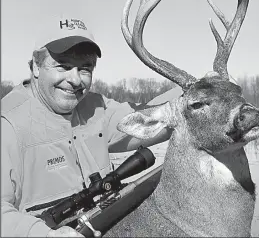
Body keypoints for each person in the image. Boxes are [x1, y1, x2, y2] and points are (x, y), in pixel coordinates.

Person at [1, 16, 182, 237]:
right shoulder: (8, 124)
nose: (75, 80)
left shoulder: (95, 108)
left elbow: (150, 116)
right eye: (63, 66)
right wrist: (43, 234)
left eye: (85, 68)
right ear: (36, 67)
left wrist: (202, 93)